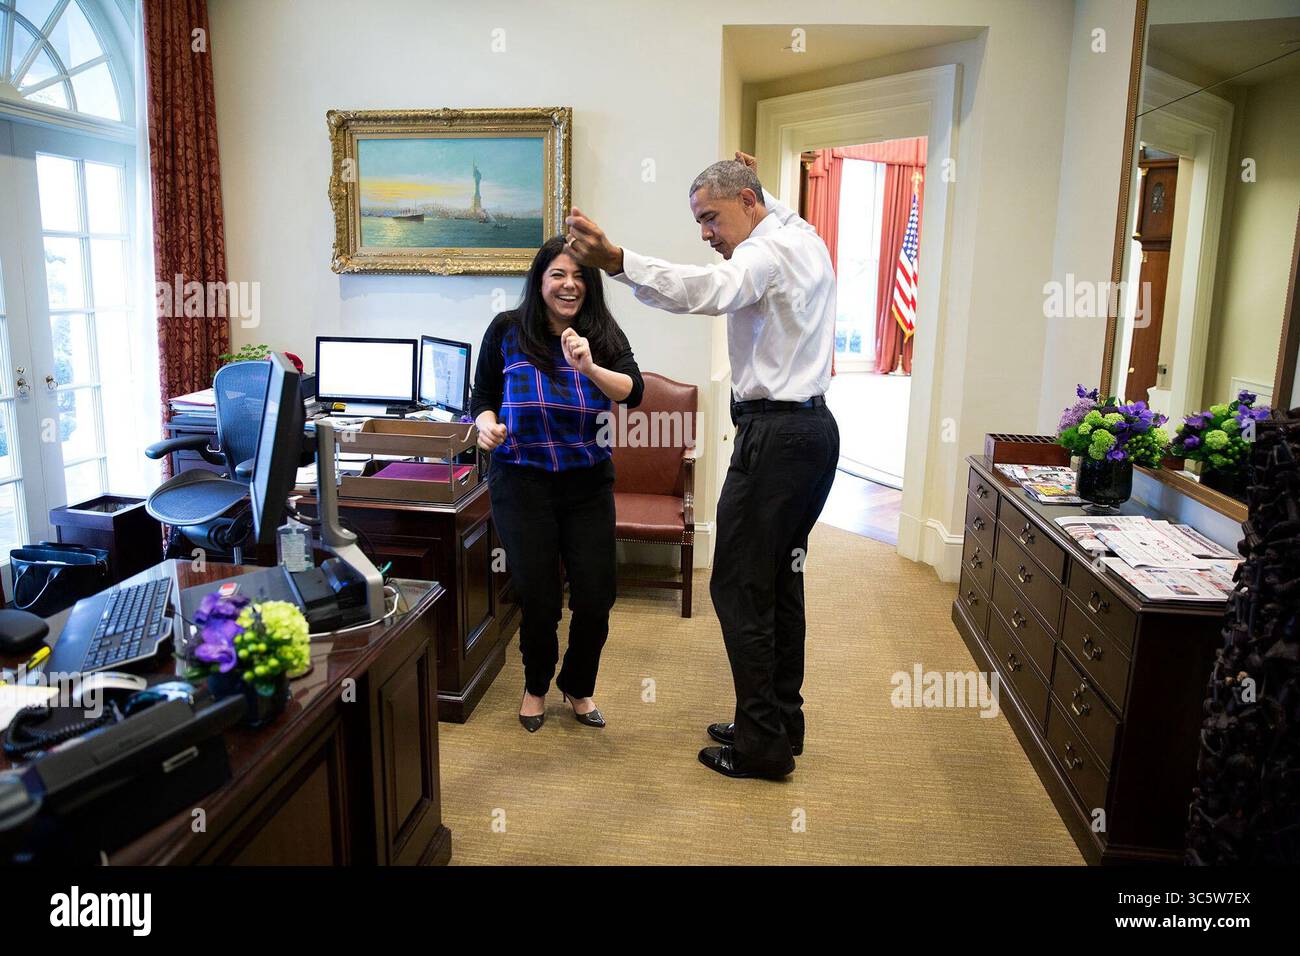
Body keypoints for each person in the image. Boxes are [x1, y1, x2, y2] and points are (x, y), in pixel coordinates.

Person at [565, 152, 839, 779]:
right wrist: (757, 177)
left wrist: (619, 261)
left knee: (738, 586)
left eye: (711, 218)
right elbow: (767, 217)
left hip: (776, 440)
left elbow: (709, 292)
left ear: (748, 202)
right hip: (812, 435)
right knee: (777, 581)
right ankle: (776, 721)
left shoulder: (763, 255)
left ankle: (762, 748)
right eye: (699, 223)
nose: (706, 234)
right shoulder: (802, 236)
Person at [470, 236, 644, 733]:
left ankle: (578, 683)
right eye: (558, 275)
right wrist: (485, 423)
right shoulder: (506, 330)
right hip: (521, 481)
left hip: (586, 484)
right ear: (539, 280)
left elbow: (634, 392)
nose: (570, 285)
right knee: (539, 596)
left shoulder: (602, 333)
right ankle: (537, 685)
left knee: (595, 595)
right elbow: (482, 395)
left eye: (579, 276)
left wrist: (589, 365)